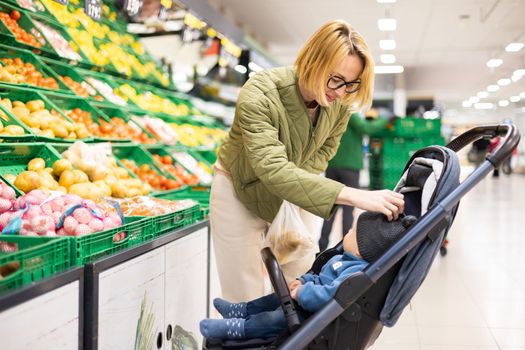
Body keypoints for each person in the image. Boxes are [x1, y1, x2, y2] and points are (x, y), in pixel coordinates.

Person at [211, 19, 405, 303]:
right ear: (313, 59)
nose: (340, 92)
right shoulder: (261, 93)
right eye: (335, 79)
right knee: (244, 296)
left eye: (350, 84)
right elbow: (272, 168)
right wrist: (352, 196)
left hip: (291, 197)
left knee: (301, 282)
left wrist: (295, 202)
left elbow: (322, 155)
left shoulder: (339, 106)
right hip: (240, 191)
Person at [200, 211, 417, 340]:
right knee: (275, 297)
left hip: (311, 317)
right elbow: (320, 277)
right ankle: (240, 310)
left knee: (272, 319)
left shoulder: (355, 273)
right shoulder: (342, 259)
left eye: (350, 233)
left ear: (361, 248)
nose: (345, 234)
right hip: (303, 301)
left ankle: (235, 329)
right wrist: (303, 281)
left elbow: (329, 296)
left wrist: (303, 292)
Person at [319, 109, 394, 251]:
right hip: (349, 166)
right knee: (348, 207)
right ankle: (343, 247)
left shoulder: (331, 111)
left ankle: (322, 246)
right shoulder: (348, 111)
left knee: (330, 207)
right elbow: (367, 128)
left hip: (332, 164)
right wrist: (385, 119)